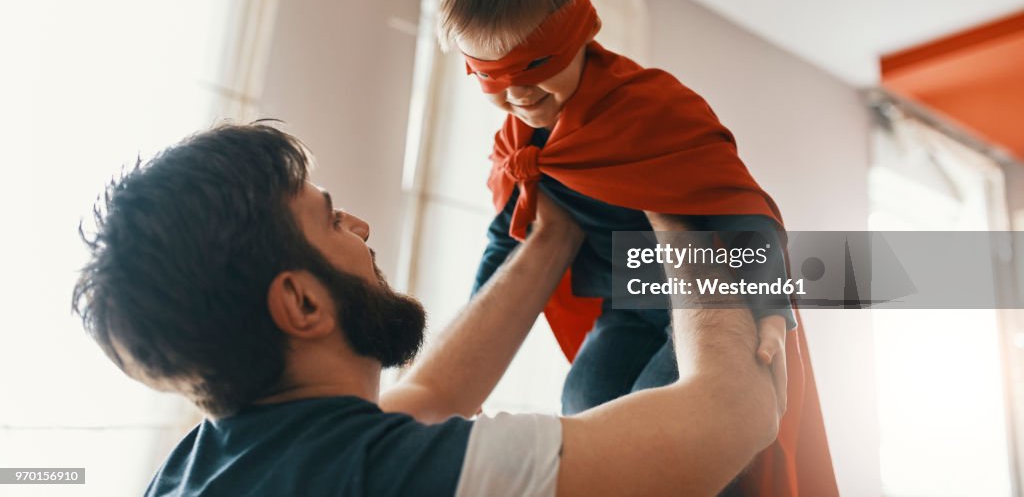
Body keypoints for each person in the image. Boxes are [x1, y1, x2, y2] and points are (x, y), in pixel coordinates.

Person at [73, 122, 778, 496]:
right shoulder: (385, 479)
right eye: (331, 221)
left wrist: (550, 238)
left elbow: (433, 395)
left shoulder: (202, 467)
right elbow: (734, 416)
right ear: (301, 301)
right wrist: (679, 210)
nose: (362, 230)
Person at [438, 0, 837, 495]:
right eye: (491, 78)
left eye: (534, 66)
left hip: (709, 292)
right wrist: (466, 363)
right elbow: (508, 242)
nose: (518, 95)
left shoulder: (648, 105)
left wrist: (770, 301)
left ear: (582, 30)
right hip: (626, 304)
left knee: (680, 424)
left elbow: (741, 207)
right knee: (582, 399)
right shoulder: (521, 146)